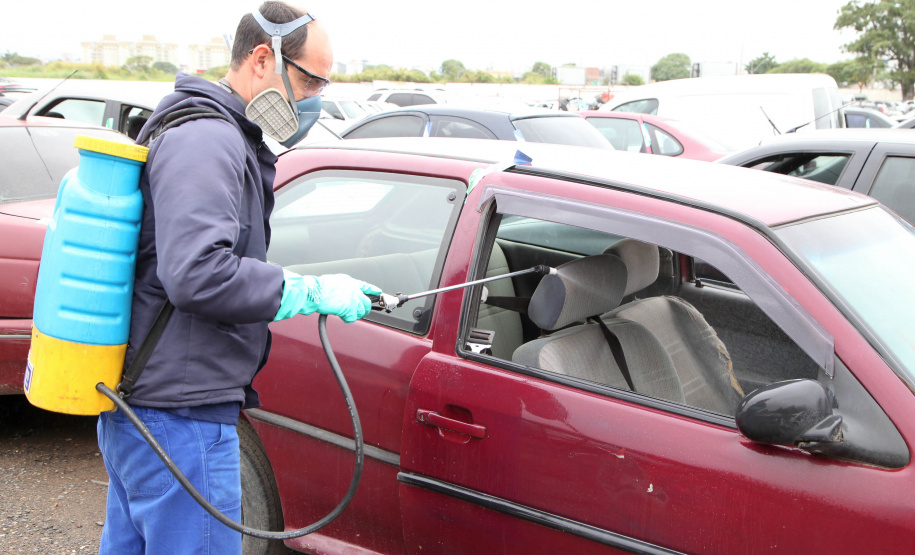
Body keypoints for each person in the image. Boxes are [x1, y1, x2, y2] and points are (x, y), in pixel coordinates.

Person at [96, 3, 379, 554]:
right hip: (181, 415)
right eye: (311, 79)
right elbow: (197, 274)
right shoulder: (208, 140)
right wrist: (304, 290)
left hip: (158, 406)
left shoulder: (217, 133)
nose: (315, 97)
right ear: (261, 59)